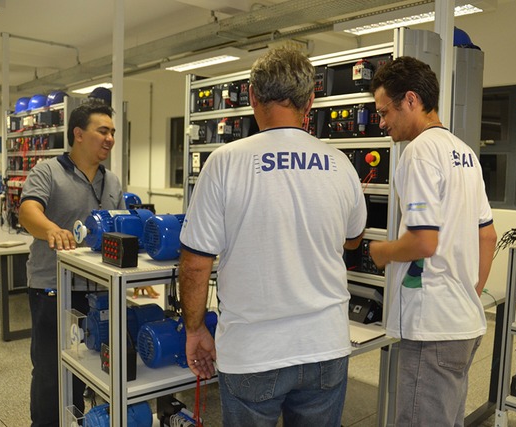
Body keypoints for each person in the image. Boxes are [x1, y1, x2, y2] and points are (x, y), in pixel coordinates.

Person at [178, 47, 367, 427]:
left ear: (251, 98)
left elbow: (196, 264)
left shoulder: (225, 163)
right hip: (324, 348)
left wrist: (195, 328)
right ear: (310, 101)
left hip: (253, 352)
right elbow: (353, 240)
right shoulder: (341, 164)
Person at [367, 56, 497, 427]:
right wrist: (470, 291)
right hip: (463, 321)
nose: (382, 122)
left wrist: (382, 251)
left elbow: (424, 241)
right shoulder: (466, 154)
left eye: (385, 111)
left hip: (432, 328)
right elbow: (487, 234)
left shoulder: (419, 153)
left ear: (411, 100)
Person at [19, 101, 125, 426]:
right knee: (51, 371)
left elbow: (120, 229)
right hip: (52, 288)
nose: (109, 139)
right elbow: (27, 211)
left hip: (98, 290)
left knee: (85, 368)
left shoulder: (113, 182)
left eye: (113, 133)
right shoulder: (48, 171)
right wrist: (51, 229)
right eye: (102, 131)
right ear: (79, 134)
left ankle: (77, 420)